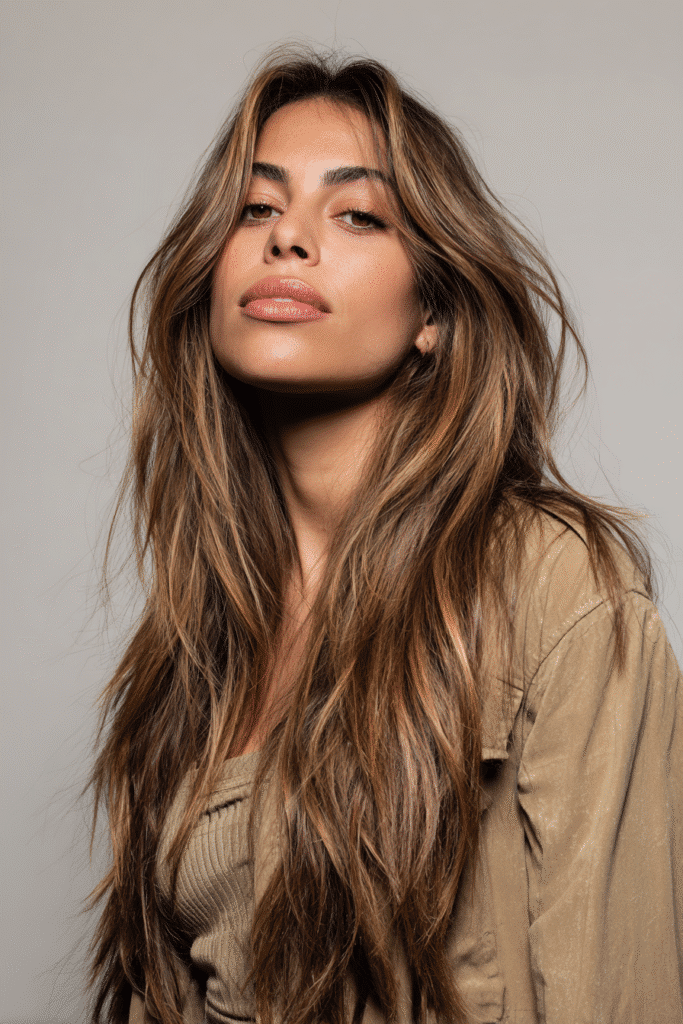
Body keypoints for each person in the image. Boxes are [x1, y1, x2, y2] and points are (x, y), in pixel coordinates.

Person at [85, 44, 683, 1024]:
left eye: (355, 214)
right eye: (254, 207)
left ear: (432, 315)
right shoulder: (194, 644)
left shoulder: (553, 581)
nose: (288, 240)